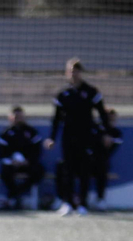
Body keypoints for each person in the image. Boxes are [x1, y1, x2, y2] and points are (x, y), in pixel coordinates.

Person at [45, 59, 107, 215]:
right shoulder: (63, 94)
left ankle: (83, 204)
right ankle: (67, 203)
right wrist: (52, 137)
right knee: (68, 170)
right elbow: (56, 119)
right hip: (68, 137)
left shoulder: (91, 91)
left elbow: (102, 114)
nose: (74, 74)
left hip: (86, 136)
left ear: (81, 73)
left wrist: (106, 133)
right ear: (67, 73)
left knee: (84, 170)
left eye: (77, 71)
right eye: (71, 71)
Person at [0, 105, 44, 208]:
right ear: (10, 117)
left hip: (27, 164)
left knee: (39, 171)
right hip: (12, 164)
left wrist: (28, 161)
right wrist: (12, 161)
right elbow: (1, 153)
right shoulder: (5, 133)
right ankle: (15, 197)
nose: (19, 119)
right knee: (5, 172)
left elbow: (37, 151)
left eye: (21, 117)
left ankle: (14, 195)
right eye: (16, 117)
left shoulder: (31, 132)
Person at [93, 106, 122, 207]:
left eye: (112, 118)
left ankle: (100, 198)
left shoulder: (116, 132)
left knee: (102, 166)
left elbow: (112, 147)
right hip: (89, 159)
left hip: (101, 161)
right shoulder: (96, 129)